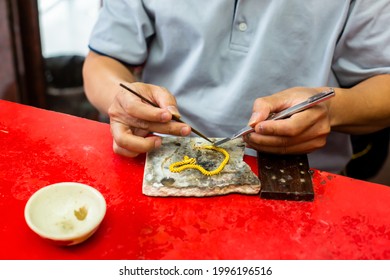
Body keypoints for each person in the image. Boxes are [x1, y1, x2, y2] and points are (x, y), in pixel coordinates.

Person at [83, 1, 390, 174]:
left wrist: (331, 111)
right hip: (157, 156)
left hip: (300, 173)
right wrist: (122, 98)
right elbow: (103, 59)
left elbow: (383, 82)